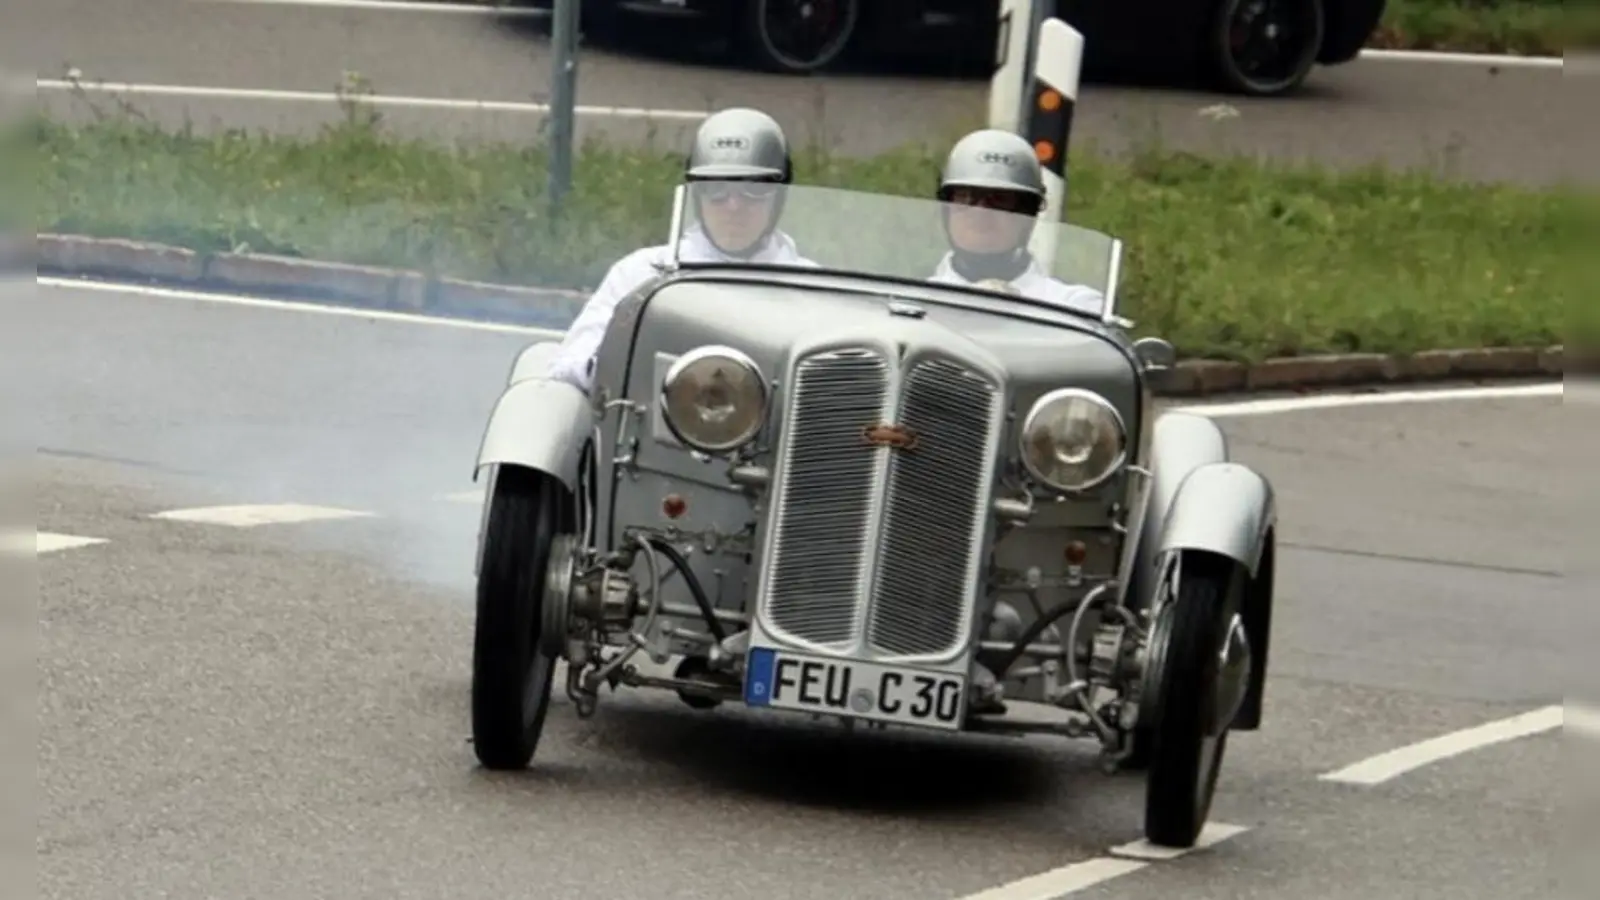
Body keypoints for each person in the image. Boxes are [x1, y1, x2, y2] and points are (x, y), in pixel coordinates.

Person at [545, 107, 817, 392]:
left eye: (754, 190)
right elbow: (569, 366)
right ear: (696, 195)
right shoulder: (641, 274)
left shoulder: (813, 289)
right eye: (717, 190)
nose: (734, 206)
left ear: (780, 197)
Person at [927, 128, 1106, 317]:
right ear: (946, 208)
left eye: (1000, 200)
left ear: (1028, 213)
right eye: (965, 197)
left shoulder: (1076, 308)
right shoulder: (910, 302)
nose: (980, 211)